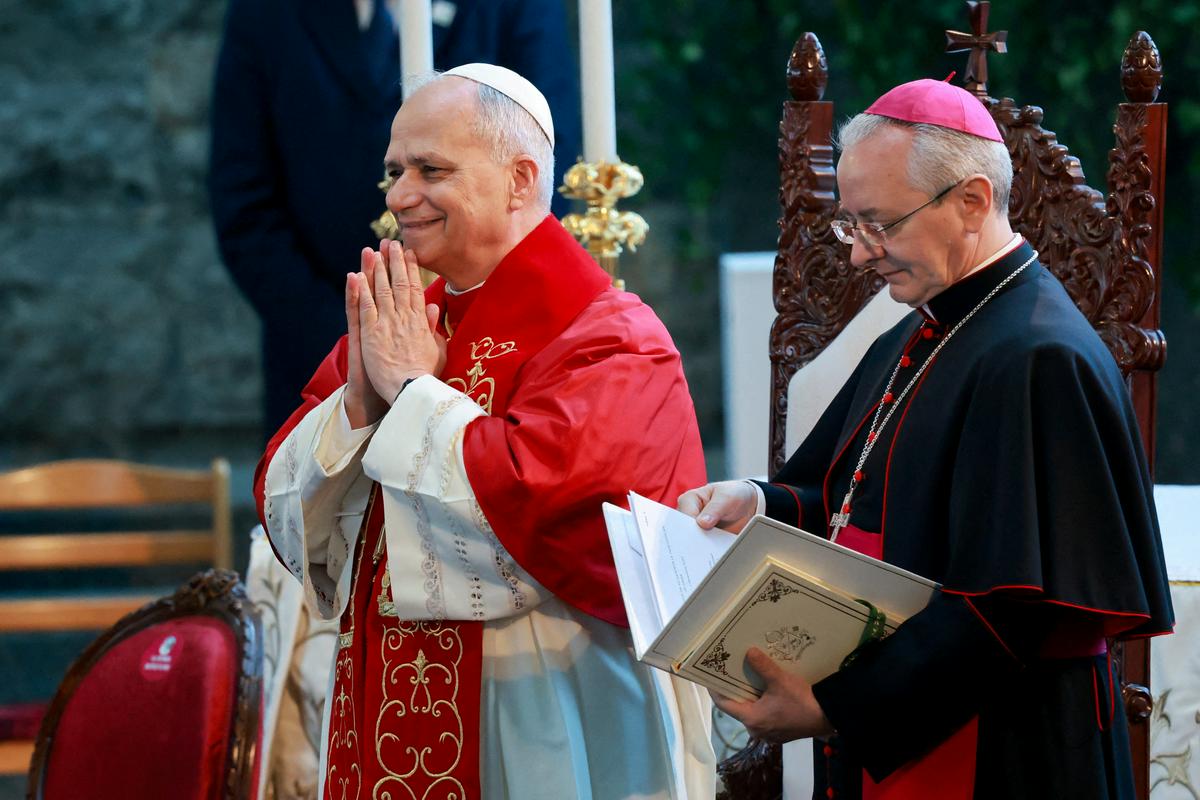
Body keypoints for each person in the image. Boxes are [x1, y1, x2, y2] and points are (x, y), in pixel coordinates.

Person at [678, 78, 1174, 799]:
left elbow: (1014, 607)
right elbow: (852, 491)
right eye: (851, 226)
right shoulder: (932, 324)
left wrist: (835, 708)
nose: (858, 256)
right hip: (910, 717)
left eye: (878, 224)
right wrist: (758, 503)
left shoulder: (1039, 357)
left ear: (971, 202)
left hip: (1003, 746)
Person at [255, 64, 715, 800]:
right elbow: (283, 493)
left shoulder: (612, 337)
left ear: (520, 178)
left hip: (544, 705)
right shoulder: (401, 322)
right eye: (394, 171)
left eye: (431, 169)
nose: (400, 196)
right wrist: (361, 407)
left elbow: (555, 507)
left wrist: (412, 393)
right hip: (382, 700)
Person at [209, 0, 582, 436]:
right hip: (316, 352)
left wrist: (473, 336)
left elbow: (543, 168)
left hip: (495, 357)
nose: (400, 197)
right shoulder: (265, 12)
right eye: (396, 175)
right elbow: (244, 203)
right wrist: (358, 344)